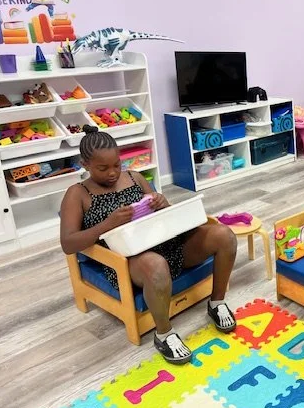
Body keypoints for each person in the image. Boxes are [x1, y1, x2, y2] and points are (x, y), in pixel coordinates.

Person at [59, 126, 238, 365]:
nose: (112, 173)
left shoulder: (135, 177)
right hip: (128, 261)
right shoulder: (77, 194)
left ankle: (217, 302)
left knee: (224, 235)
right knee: (156, 265)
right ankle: (164, 334)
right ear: (85, 164)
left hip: (167, 243)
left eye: (117, 165)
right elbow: (68, 243)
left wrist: (163, 203)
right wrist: (108, 224)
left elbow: (165, 217)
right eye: (103, 168)